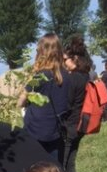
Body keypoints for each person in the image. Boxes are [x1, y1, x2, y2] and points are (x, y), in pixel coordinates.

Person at [19, 33, 70, 162]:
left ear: (43, 51)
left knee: (33, 168)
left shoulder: (40, 76)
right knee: (51, 170)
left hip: (35, 130)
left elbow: (20, 102)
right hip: (55, 131)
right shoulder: (66, 75)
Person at [62, 37, 92, 172]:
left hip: (69, 125)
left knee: (61, 163)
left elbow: (66, 104)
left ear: (73, 58)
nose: (63, 63)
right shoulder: (86, 75)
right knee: (71, 162)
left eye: (65, 59)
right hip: (81, 124)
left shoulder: (72, 78)